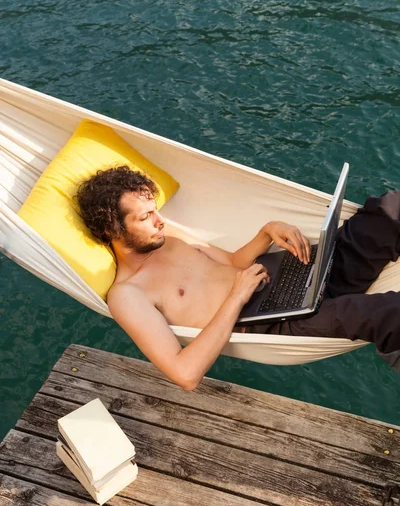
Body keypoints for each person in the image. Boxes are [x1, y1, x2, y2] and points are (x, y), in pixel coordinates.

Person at [77, 165, 400, 390]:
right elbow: (184, 374)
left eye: (156, 210)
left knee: (390, 209)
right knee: (386, 312)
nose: (160, 220)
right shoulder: (127, 295)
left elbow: (231, 261)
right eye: (147, 217)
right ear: (112, 230)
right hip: (275, 320)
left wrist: (267, 232)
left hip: (299, 269)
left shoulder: (166, 235)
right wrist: (236, 297)